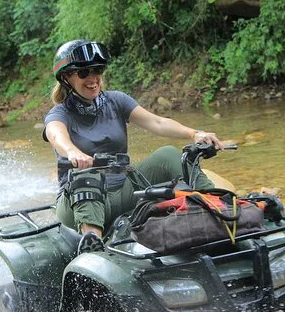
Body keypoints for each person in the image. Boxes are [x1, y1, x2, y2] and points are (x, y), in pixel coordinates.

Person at [43, 39, 224, 254]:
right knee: (87, 176)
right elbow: (56, 135)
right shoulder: (60, 113)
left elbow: (157, 122)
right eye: (83, 73)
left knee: (168, 154)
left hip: (124, 189)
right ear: (66, 78)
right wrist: (72, 152)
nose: (93, 79)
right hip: (78, 200)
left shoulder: (116, 101)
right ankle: (92, 243)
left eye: (97, 70)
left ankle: (220, 205)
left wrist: (194, 134)